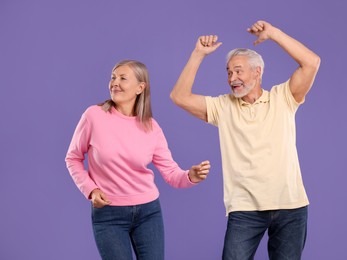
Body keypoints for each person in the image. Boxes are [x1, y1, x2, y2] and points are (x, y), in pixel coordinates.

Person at [170, 20, 320, 260]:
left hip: (290, 206)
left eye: (238, 70)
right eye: (229, 72)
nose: (232, 78)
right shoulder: (223, 106)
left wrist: (274, 33)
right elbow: (179, 96)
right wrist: (198, 54)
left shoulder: (283, 98)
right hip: (244, 209)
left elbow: (311, 62)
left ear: (257, 72)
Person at [65, 60, 211, 260]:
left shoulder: (151, 126)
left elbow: (171, 174)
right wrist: (91, 190)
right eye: (113, 77)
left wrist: (190, 176)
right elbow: (72, 158)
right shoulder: (93, 116)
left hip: (148, 213)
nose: (115, 83)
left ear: (140, 88)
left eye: (123, 78)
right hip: (108, 214)